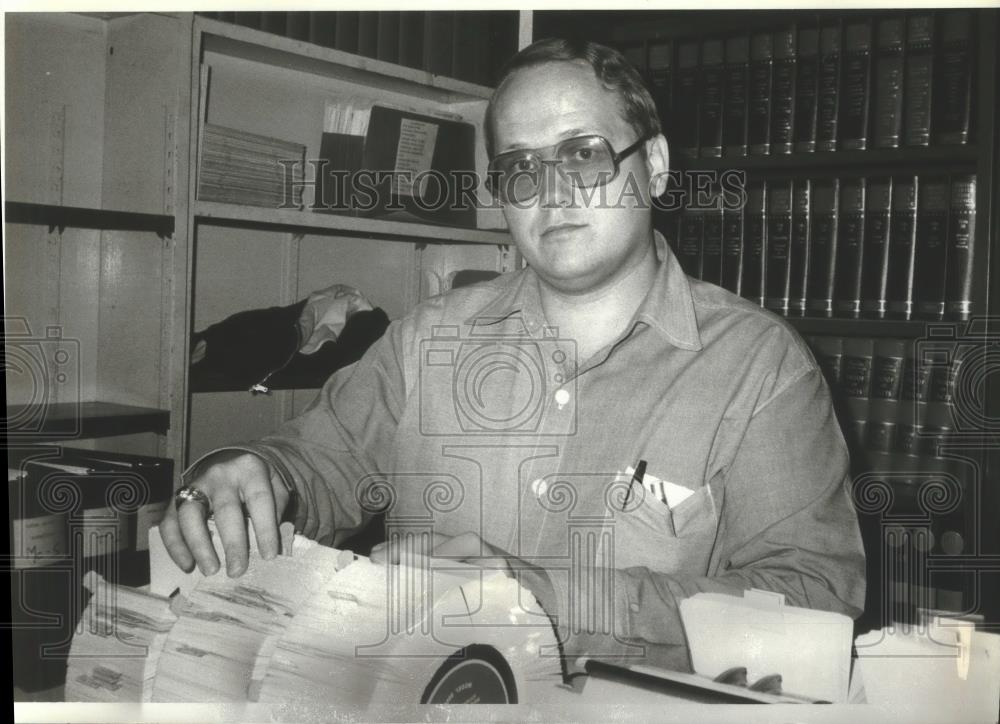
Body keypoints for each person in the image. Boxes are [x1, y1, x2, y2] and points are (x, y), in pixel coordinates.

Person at [162, 38, 865, 675]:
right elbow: (319, 464)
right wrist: (251, 474)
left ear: (653, 166)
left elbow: (810, 605)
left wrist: (539, 600)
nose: (552, 189)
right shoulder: (424, 340)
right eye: (520, 167)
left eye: (584, 152)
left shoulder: (761, 367)